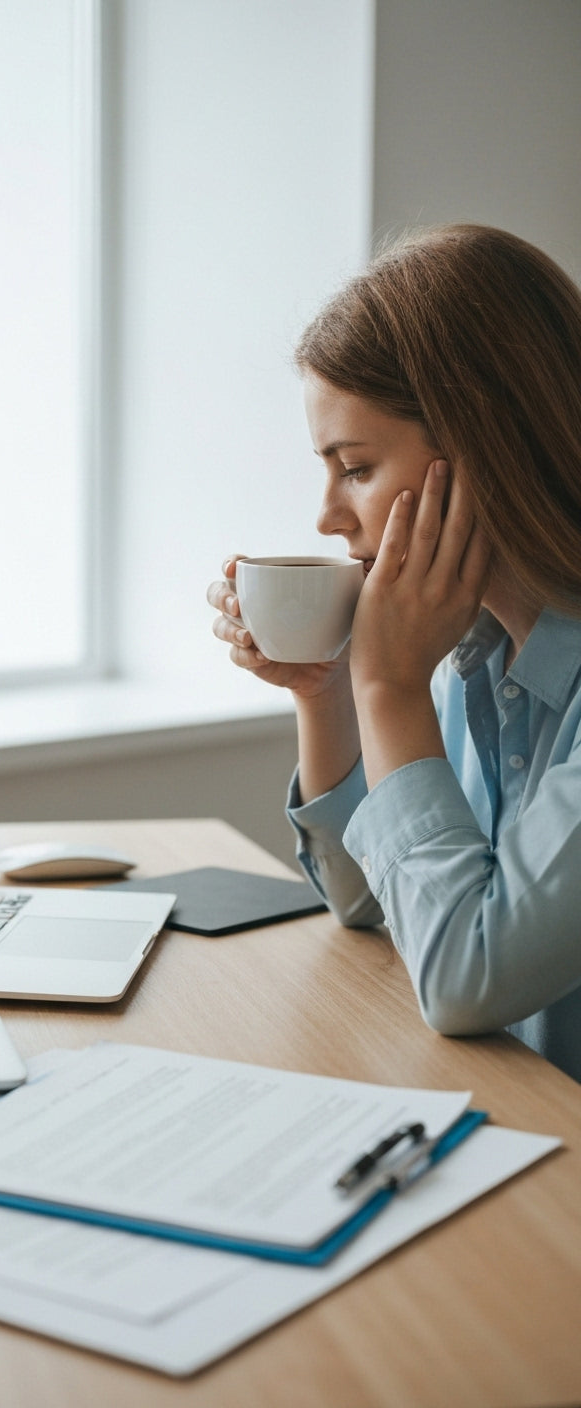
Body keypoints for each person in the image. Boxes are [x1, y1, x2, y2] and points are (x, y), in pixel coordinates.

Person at [208, 223, 581, 1083]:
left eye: (356, 468)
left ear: (485, 451)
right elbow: (374, 899)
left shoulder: (424, 672)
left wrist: (387, 688)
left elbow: (461, 977)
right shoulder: (475, 653)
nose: (328, 517)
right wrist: (328, 690)